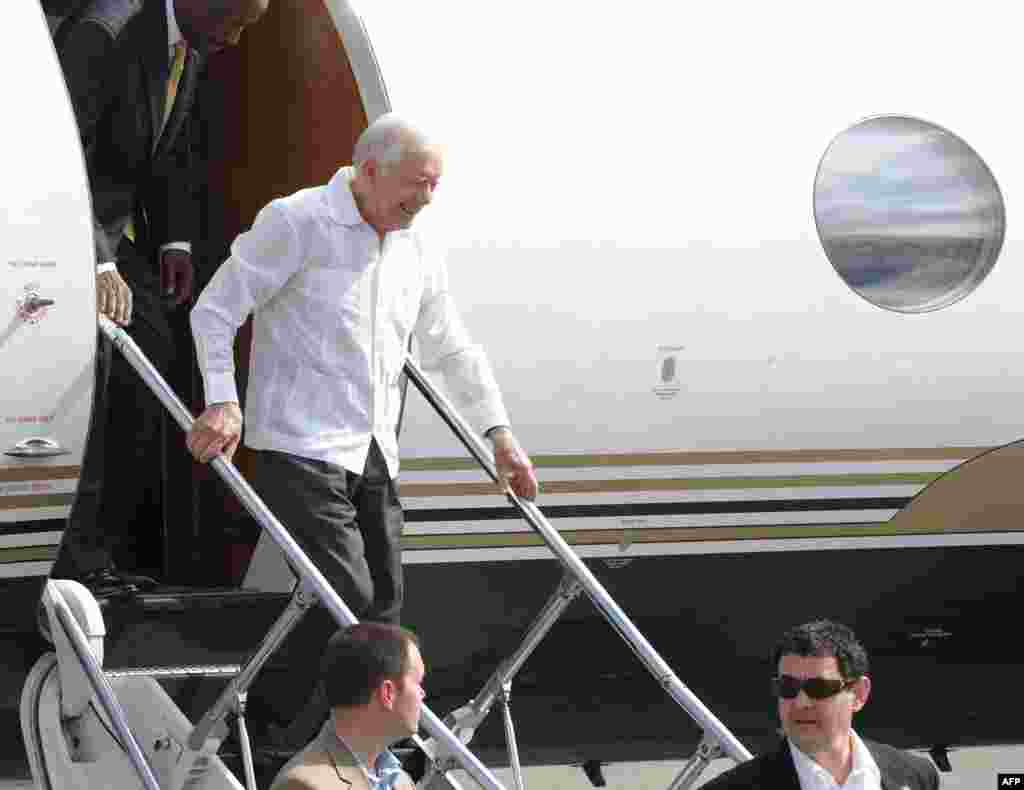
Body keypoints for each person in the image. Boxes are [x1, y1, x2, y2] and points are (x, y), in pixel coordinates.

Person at [186, 113, 538, 625]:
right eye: (419, 183)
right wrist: (222, 401)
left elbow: (451, 345)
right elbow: (215, 311)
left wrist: (499, 434)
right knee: (348, 605)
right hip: (300, 449)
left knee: (384, 610)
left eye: (435, 184)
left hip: (375, 453)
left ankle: (314, 705)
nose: (428, 199)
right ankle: (293, 705)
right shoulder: (297, 221)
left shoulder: (417, 245)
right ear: (371, 170)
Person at [49, 0, 270, 597]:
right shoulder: (106, 35)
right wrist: (95, 261)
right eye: (236, 22)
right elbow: (62, 153)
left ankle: (107, 547)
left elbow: (167, 150)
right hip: (66, 228)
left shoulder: (188, 46)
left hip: (117, 231)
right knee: (111, 372)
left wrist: (173, 236)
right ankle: (74, 557)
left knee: (151, 358)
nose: (238, 38)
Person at [701, 619, 939, 790]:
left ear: (858, 694)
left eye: (820, 688)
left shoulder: (917, 775)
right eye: (788, 687)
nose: (801, 702)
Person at [269, 623, 423, 790]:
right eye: (417, 682)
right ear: (388, 693)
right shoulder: (302, 784)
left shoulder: (399, 780)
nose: (422, 693)